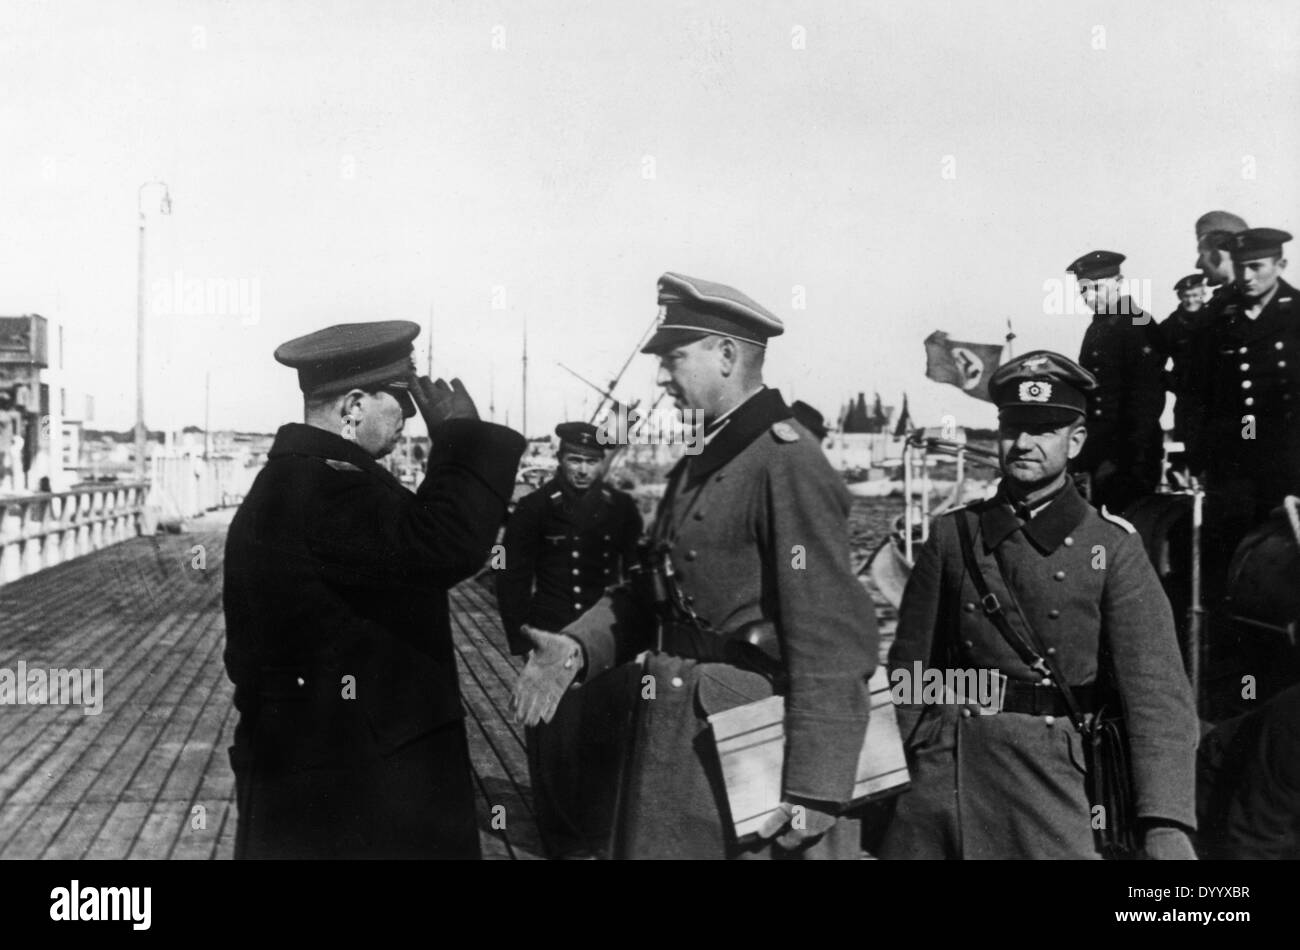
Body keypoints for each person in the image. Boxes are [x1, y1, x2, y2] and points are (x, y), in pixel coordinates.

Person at [512, 272, 878, 859]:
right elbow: (650, 588)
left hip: (748, 752)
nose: (661, 376)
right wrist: (578, 647)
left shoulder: (786, 462)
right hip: (673, 734)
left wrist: (816, 787)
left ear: (727, 355)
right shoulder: (703, 459)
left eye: (674, 358)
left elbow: (831, 636)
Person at [223, 320, 526, 859]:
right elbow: (445, 545)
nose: (410, 420)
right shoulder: (327, 488)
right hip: (352, 791)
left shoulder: (296, 479)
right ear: (354, 407)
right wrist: (462, 438)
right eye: (403, 402)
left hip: (317, 772)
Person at [879, 350, 1199, 860]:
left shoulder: (1111, 547)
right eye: (1013, 427)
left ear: (1075, 441)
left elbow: (1157, 696)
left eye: (1045, 429)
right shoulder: (953, 534)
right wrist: (896, 771)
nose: (1024, 444)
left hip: (1056, 780)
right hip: (950, 772)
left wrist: (1166, 821)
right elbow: (911, 672)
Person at [495, 421, 643, 857]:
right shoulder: (535, 508)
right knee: (554, 740)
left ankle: (597, 833)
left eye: (591, 461)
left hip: (608, 640)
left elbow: (635, 575)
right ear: (560, 459)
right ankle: (559, 839)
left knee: (606, 736)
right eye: (574, 459)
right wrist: (522, 639)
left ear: (602, 464)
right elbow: (510, 573)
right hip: (552, 634)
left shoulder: (621, 509)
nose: (582, 470)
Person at [1196, 228, 1299, 550]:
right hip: (1234, 461)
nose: (1246, 276)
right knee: (1233, 551)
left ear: (1280, 265)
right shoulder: (1218, 317)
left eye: (1256, 266)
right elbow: (1202, 390)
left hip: (1289, 457)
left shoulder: (1296, 312)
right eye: (1240, 266)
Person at [1066, 250, 1166, 513]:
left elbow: (1146, 398)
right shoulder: (1098, 327)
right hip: (1100, 451)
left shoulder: (1137, 322)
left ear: (1119, 283)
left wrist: (1129, 459)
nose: (1089, 297)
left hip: (1128, 456)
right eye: (1083, 290)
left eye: (1097, 288)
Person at [1161, 273, 1209, 452]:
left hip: (1218, 393)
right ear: (1180, 297)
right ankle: (1189, 477)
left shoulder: (1215, 317)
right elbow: (1154, 361)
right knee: (1187, 446)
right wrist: (1174, 383)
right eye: (1187, 296)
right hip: (1188, 399)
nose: (1191, 301)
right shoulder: (1171, 326)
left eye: (1196, 295)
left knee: (1235, 438)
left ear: (1203, 294)